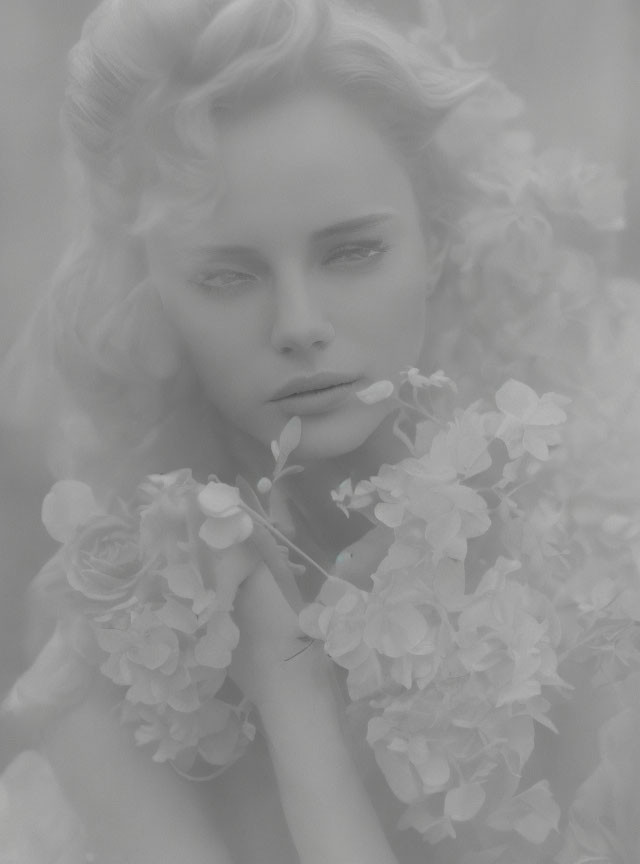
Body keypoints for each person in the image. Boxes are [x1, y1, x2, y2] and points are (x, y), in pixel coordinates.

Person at [1, 0, 640, 862]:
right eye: (227, 276)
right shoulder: (120, 625)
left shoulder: (595, 544)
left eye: (351, 253)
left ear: (438, 240)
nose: (299, 325)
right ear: (151, 290)